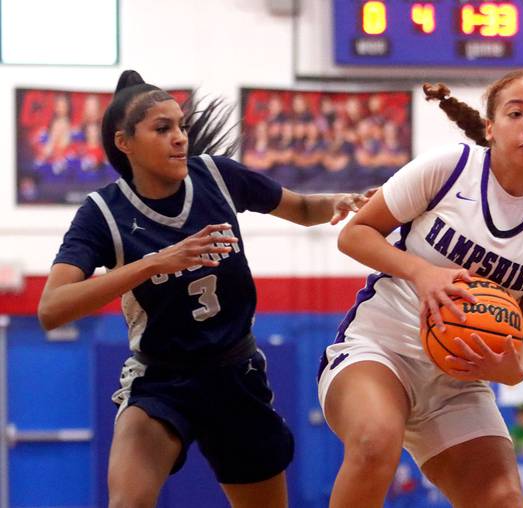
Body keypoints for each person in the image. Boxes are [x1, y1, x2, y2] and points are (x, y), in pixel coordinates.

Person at [36, 70, 371, 508]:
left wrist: (342, 202)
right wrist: (154, 263)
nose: (179, 138)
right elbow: (51, 309)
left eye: (181, 126)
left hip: (235, 371)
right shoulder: (102, 213)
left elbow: (304, 209)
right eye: (162, 129)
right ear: (125, 143)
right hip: (161, 378)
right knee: (127, 502)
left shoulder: (217, 176)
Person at [317, 69, 523, 507]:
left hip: (458, 381)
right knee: (374, 441)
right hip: (381, 349)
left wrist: (514, 370)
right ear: (490, 127)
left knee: (502, 499)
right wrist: (421, 272)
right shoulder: (450, 168)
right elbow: (354, 234)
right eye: (515, 113)